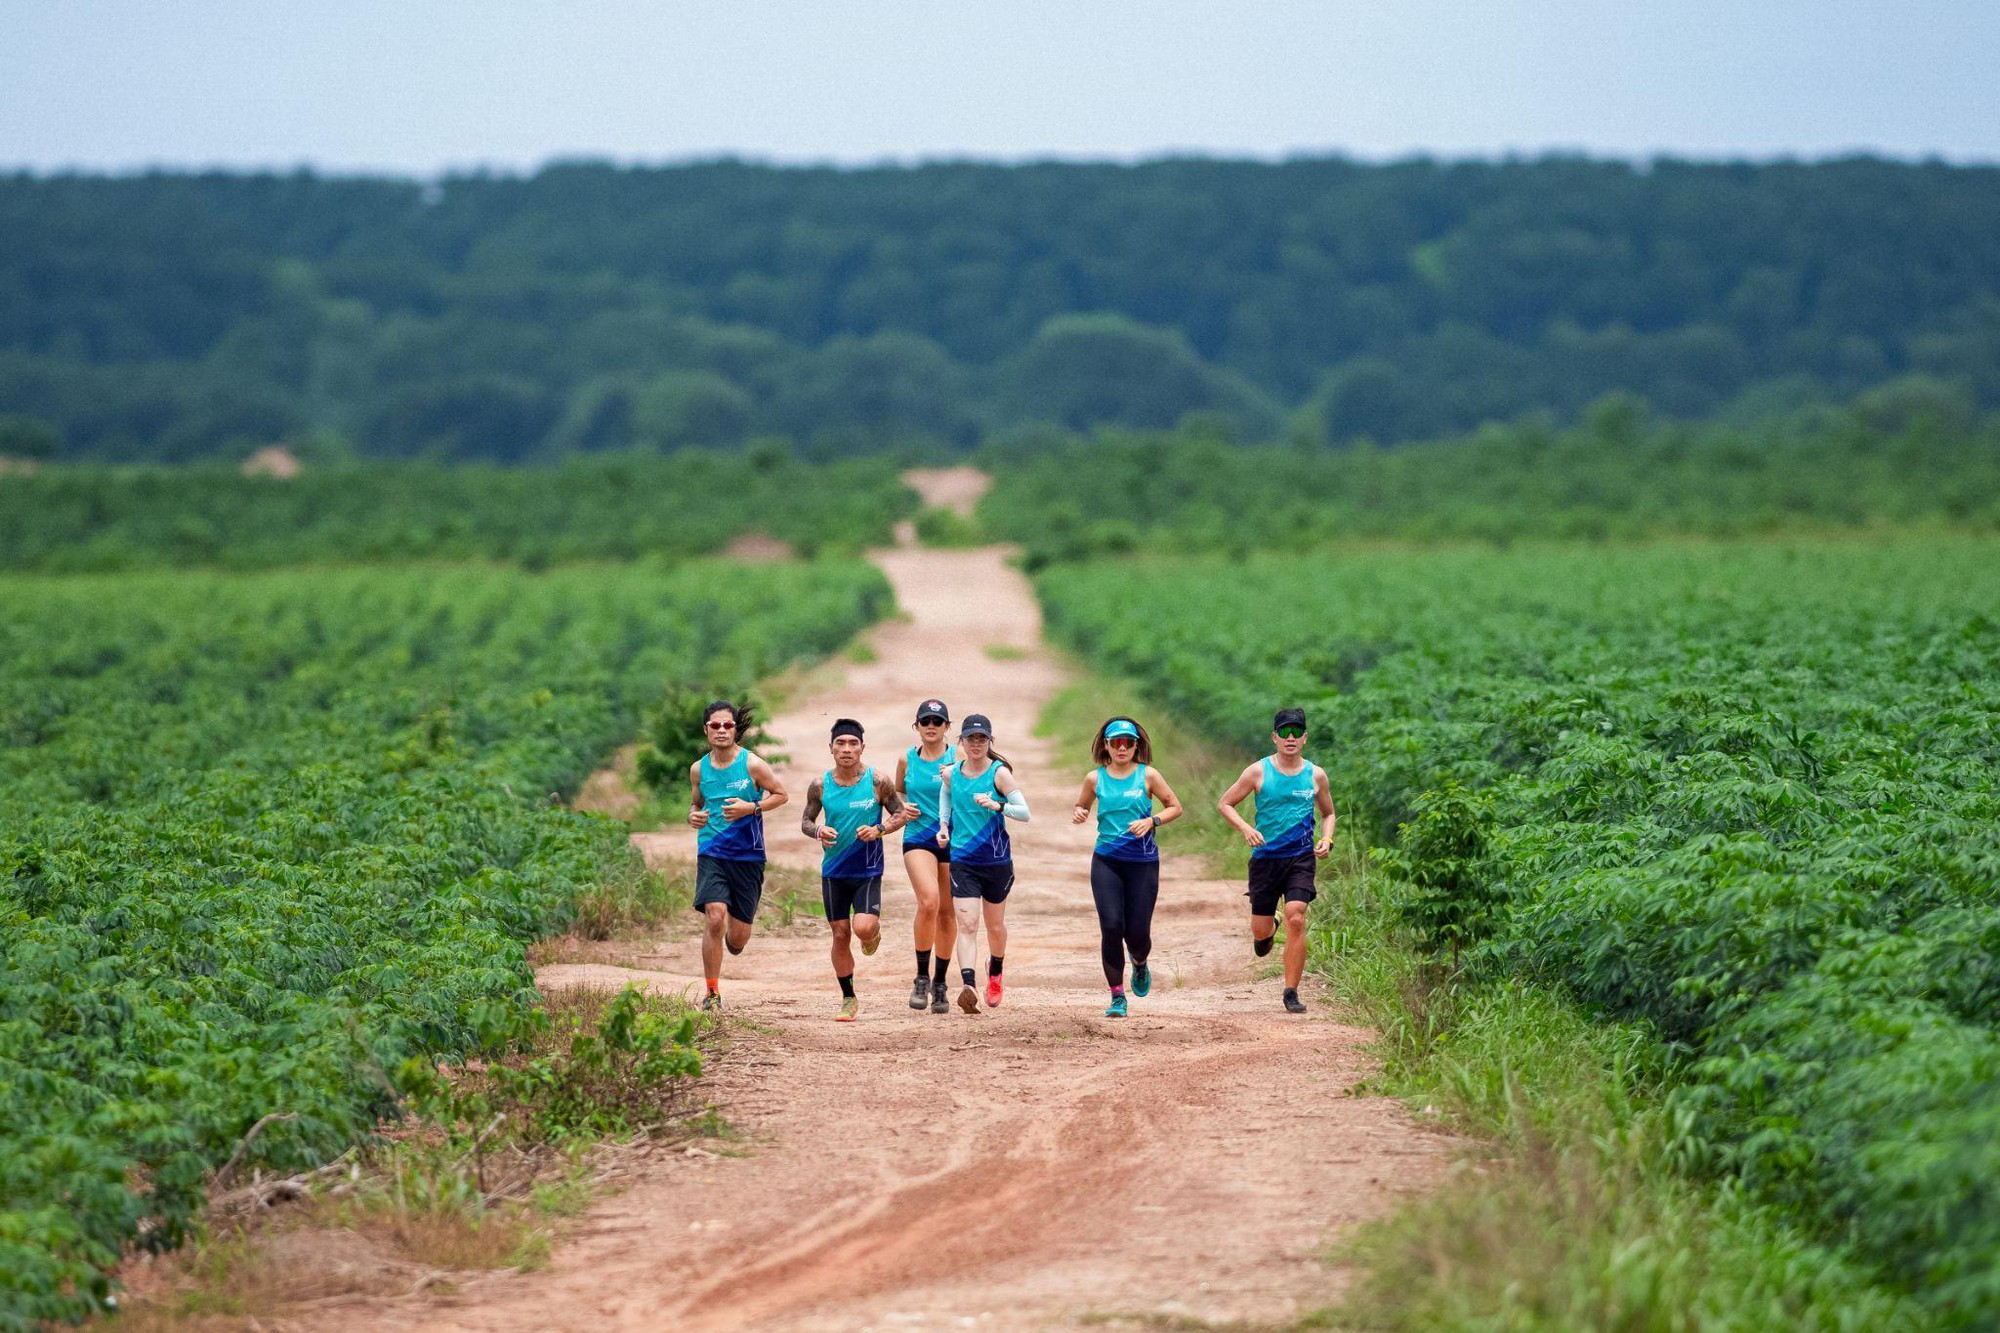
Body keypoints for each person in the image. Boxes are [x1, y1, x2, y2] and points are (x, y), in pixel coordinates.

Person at [1217, 706, 1337, 1015]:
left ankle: (1291, 991)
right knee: (1260, 932)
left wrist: (1327, 839)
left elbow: (1328, 813)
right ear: (1275, 737)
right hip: (1266, 860)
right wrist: (1246, 829)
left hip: (1300, 858)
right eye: (1285, 732)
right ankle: (1270, 926)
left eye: (1297, 732)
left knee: (1297, 916)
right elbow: (1226, 804)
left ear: (1305, 738)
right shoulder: (1257, 772)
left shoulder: (1315, 775)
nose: (1291, 738)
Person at [1071, 717, 1183, 1018]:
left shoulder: (1149, 775)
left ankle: (1140, 961)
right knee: (1111, 926)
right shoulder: (1094, 779)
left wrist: (1152, 821)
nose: (1122, 748)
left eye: (1128, 743)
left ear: (1136, 746)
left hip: (1142, 863)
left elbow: (1175, 807)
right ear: (1106, 746)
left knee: (1137, 933)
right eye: (1116, 742)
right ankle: (1117, 996)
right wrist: (1080, 813)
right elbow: (1082, 805)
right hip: (1106, 861)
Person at [802, 719, 908, 1021]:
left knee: (862, 928)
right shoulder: (820, 785)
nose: (847, 749)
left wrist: (879, 829)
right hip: (833, 871)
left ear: (862, 748)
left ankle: (872, 933)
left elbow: (900, 813)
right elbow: (806, 822)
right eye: (841, 743)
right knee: (840, 934)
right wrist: (818, 830)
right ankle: (848, 997)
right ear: (831, 748)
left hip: (867, 869)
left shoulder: (877, 781)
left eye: (853, 743)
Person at [687, 700, 788, 1011]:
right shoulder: (698, 769)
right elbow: (696, 803)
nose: (721, 730)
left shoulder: (752, 764)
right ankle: (712, 993)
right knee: (715, 917)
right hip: (712, 851)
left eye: (727, 725)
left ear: (735, 729)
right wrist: (693, 816)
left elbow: (781, 795)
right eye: (715, 725)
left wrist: (751, 807)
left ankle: (734, 937)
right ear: (706, 730)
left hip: (748, 857)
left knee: (737, 940)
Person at [936, 714, 1029, 1013]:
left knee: (995, 926)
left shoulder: (999, 774)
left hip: (996, 861)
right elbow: (946, 797)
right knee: (967, 923)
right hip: (963, 860)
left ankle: (996, 972)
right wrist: (943, 826)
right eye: (971, 739)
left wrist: (997, 805)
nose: (976, 744)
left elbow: (1024, 812)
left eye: (982, 739)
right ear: (961, 741)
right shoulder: (952, 774)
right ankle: (968, 985)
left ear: (990, 741)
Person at [896, 698, 958, 1013]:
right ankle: (921, 977)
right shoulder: (906, 759)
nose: (931, 727)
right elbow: (897, 792)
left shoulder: (958, 756)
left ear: (947, 727)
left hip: (954, 838)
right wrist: (901, 806)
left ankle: (940, 982)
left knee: (947, 911)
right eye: (925, 721)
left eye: (937, 721)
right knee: (929, 901)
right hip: (918, 836)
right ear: (917, 726)